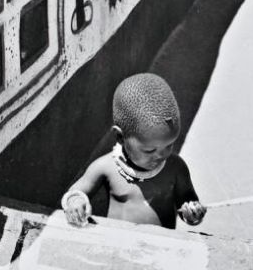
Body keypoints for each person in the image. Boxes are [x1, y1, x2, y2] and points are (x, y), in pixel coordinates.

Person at [61, 73, 206, 229]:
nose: (161, 155)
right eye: (149, 150)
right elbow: (76, 191)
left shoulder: (176, 168)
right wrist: (76, 201)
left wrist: (193, 213)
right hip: (118, 240)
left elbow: (188, 202)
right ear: (120, 137)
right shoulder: (107, 167)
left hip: (161, 242)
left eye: (169, 145)